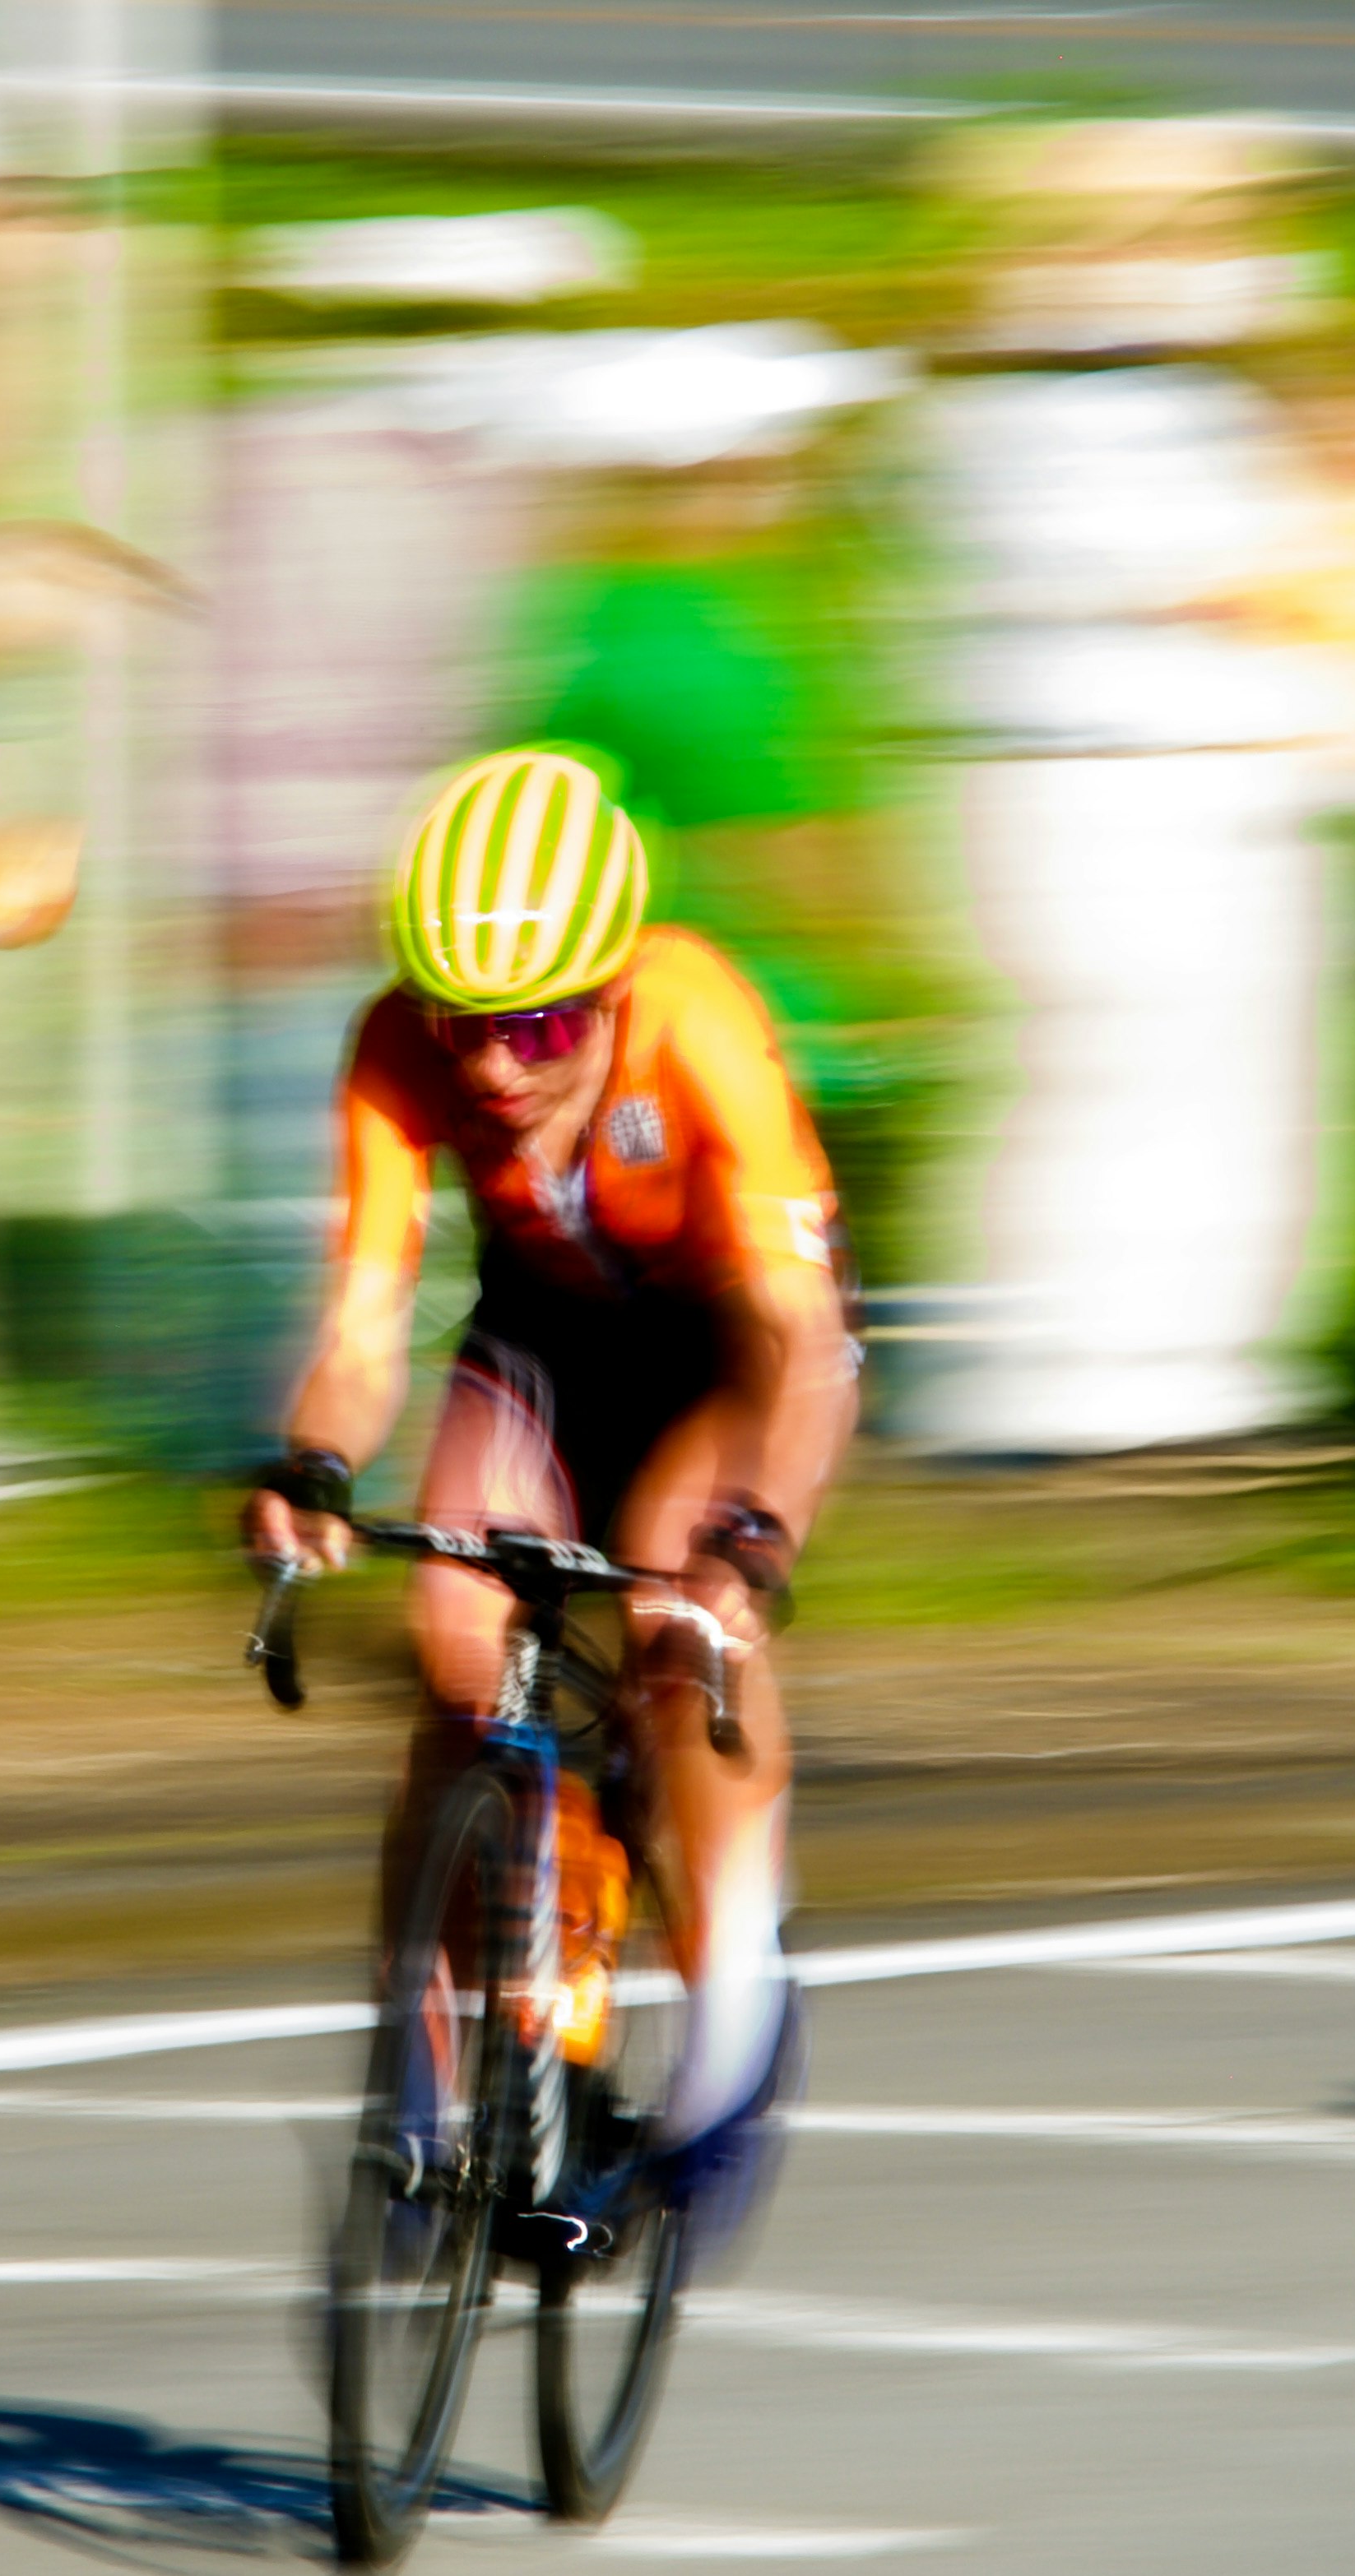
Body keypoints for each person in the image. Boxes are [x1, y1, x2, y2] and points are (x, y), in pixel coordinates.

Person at [239, 748, 855, 2239]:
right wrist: (314, 1467)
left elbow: (801, 1338)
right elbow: (363, 1335)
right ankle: (431, 2082)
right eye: (466, 1031)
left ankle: (737, 2012)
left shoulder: (695, 1018)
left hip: (735, 1344)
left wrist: (753, 1541)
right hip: (551, 1338)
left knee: (674, 1604)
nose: (499, 1071)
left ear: (616, 988)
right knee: (453, 1641)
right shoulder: (394, 1048)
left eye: (545, 1026)